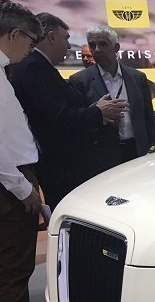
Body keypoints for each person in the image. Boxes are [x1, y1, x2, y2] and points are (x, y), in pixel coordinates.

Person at [11, 13, 127, 208]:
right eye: (66, 38)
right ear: (51, 37)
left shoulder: (38, 66)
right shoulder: (34, 67)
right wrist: (98, 112)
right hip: (61, 165)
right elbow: (59, 117)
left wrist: (94, 110)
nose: (68, 46)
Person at [0, 0, 60, 302]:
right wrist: (22, 188)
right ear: (15, 34)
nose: (30, 49)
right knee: (15, 271)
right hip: (10, 183)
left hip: (12, 177)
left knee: (6, 269)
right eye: (31, 41)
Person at [70, 24, 155, 173]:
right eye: (92, 45)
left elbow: (148, 119)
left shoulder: (137, 77)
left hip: (138, 151)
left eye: (103, 44)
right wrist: (98, 114)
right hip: (103, 157)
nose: (97, 50)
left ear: (116, 47)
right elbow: (78, 124)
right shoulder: (80, 81)